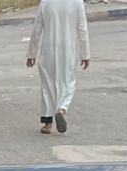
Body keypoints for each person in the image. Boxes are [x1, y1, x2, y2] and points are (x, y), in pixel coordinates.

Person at [26, 0, 90, 136]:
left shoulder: (46, 3)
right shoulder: (77, 3)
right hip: (68, 51)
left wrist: (31, 53)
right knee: (68, 83)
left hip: (48, 50)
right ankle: (62, 108)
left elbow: (37, 29)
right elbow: (82, 29)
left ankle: (48, 124)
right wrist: (85, 54)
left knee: (47, 85)